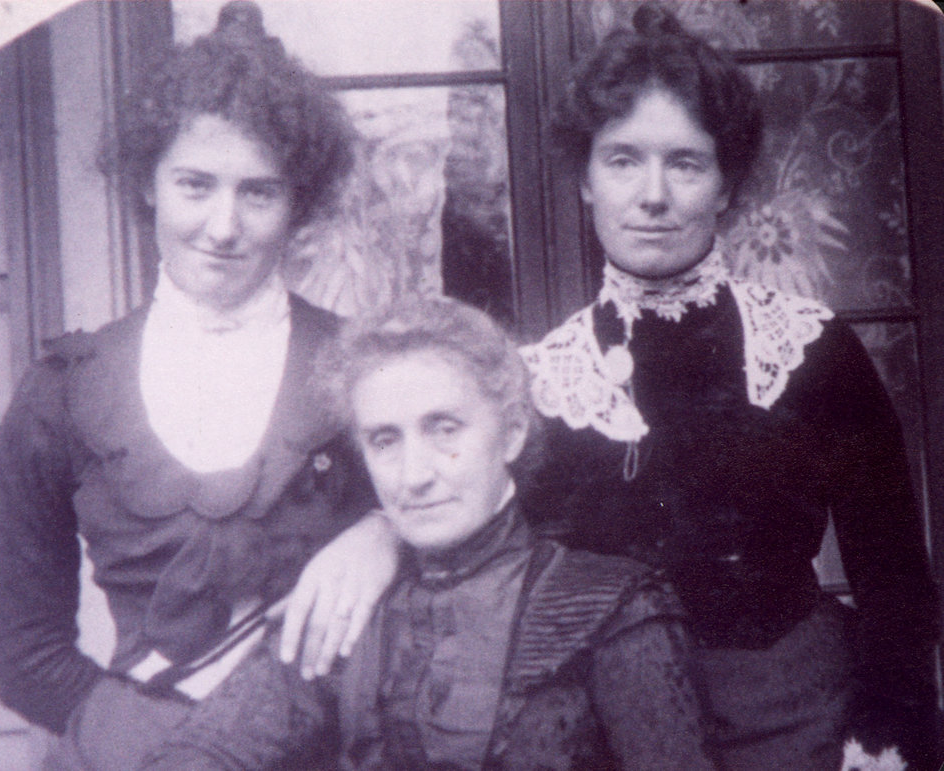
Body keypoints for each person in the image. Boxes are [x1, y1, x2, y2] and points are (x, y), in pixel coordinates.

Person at [519, 6, 940, 770]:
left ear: (724, 184)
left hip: (805, 718)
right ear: (583, 179)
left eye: (684, 163)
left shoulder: (810, 347)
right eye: (621, 160)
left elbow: (892, 572)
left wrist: (884, 730)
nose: (652, 195)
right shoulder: (542, 380)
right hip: (614, 739)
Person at [0, 3, 399, 767]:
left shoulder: (366, 365)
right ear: (149, 182)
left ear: (297, 202)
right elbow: (25, 653)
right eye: (195, 184)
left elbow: (463, 543)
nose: (223, 225)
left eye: (259, 192)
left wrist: (388, 534)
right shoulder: (61, 393)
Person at [142, 295, 718, 770]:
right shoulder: (351, 604)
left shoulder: (614, 605)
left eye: (444, 428)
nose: (413, 476)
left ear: (512, 433)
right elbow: (204, 751)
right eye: (384, 440)